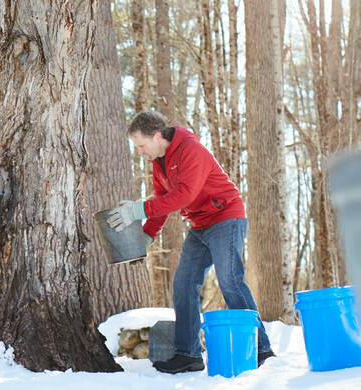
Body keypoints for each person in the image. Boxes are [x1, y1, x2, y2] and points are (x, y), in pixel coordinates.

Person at [107, 111, 275, 374]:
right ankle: (188, 354)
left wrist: (138, 210)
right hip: (200, 225)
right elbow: (162, 204)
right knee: (183, 284)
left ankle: (261, 348)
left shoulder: (190, 149)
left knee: (230, 279)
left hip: (225, 217)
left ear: (158, 136)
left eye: (141, 145)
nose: (140, 151)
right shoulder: (158, 162)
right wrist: (147, 237)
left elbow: (185, 195)